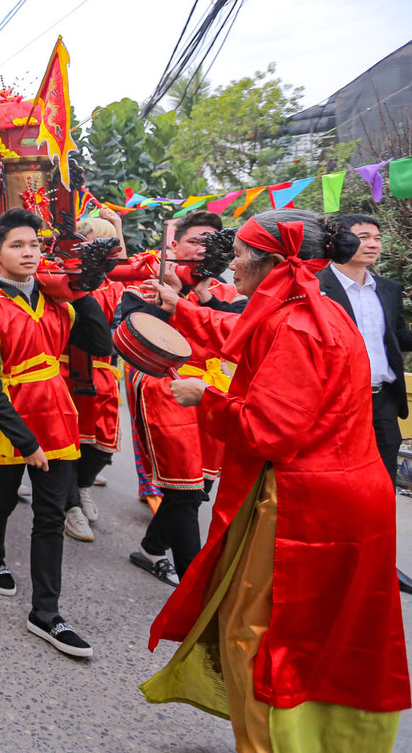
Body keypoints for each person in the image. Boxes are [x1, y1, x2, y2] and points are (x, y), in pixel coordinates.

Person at [142, 208, 409, 751]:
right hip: (345, 496)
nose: (231, 265)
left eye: (240, 254)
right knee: (328, 639)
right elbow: (240, 331)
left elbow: (269, 432)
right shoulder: (311, 310)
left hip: (308, 507)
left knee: (259, 636)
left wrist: (204, 398)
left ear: (275, 263)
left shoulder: (297, 325)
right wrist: (181, 307)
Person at [0, 208, 111, 659]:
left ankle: (46, 613)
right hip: (12, 421)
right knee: (3, 497)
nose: (29, 253)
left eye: (34, 245)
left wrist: (82, 290)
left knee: (50, 516)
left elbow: (101, 345)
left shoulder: (59, 304)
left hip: (58, 416)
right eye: (17, 245)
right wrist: (26, 443)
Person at [115, 210, 243, 585]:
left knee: (200, 485)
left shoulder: (228, 291)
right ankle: (195, 586)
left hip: (212, 390)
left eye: (211, 244)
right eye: (195, 241)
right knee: (185, 489)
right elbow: (132, 334)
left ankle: (151, 548)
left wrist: (201, 295)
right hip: (166, 387)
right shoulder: (146, 285)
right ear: (174, 245)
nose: (203, 250)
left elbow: (239, 335)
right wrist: (168, 297)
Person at [319, 213, 412, 594]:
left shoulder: (387, 288)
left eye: (377, 237)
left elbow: (396, 337)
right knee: (335, 485)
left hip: (383, 402)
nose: (373, 244)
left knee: (382, 488)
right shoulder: (316, 286)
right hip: (337, 402)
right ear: (339, 241)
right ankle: (331, 561)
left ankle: (380, 564)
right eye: (363, 236)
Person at [61, 210, 127, 542]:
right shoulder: (62, 280)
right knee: (66, 444)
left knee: (102, 447)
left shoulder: (117, 286)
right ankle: (71, 505)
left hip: (102, 371)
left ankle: (83, 486)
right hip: (65, 370)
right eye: (93, 242)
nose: (100, 250)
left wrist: (118, 226)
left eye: (106, 244)